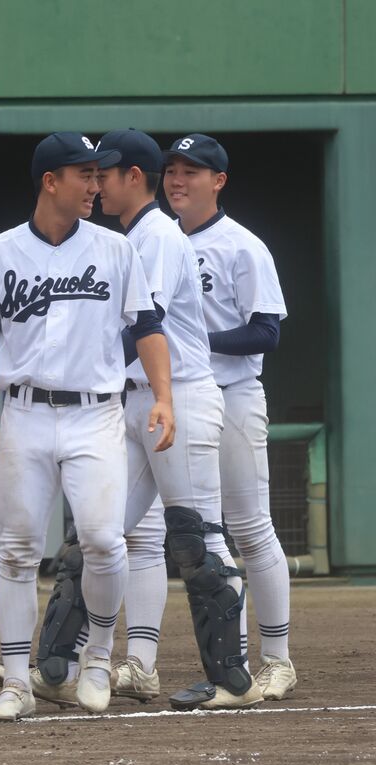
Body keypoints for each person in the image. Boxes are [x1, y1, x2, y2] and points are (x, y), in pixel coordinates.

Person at [0, 132, 174, 722]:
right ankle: (16, 682)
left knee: (105, 540)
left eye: (99, 175)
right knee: (18, 551)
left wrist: (164, 397)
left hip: (95, 414)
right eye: (84, 174)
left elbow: (147, 325)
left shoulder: (114, 248)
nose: (96, 185)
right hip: (24, 412)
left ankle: (100, 657)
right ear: (51, 181)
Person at [165, 133, 295, 701]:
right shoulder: (155, 241)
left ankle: (280, 659)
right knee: (204, 534)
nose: (177, 180)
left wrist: (194, 340)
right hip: (181, 400)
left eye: (192, 171)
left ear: (218, 181)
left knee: (250, 526)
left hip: (234, 394)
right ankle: (231, 669)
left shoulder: (243, 246)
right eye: (171, 169)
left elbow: (267, 329)